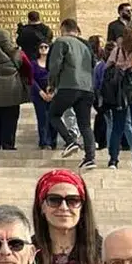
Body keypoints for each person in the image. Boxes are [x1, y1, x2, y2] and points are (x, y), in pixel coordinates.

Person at [46, 18, 98, 168]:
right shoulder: (86, 45)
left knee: (53, 114)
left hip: (68, 85)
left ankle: (70, 141)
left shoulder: (61, 42)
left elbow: (55, 65)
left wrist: (51, 84)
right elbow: (93, 64)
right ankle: (90, 158)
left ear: (63, 28)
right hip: (87, 88)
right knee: (85, 125)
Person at [102, 27, 132, 171]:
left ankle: (113, 160)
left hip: (120, 94)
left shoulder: (117, 51)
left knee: (118, 126)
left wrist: (119, 66)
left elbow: (106, 68)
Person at [24, 41, 54, 149]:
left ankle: (52, 141)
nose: (43, 49)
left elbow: (56, 77)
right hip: (38, 94)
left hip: (52, 93)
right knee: (42, 118)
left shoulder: (53, 63)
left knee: (52, 118)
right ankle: (44, 141)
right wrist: (40, 92)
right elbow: (31, 79)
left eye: (46, 47)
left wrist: (52, 92)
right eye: (41, 47)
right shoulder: (33, 63)